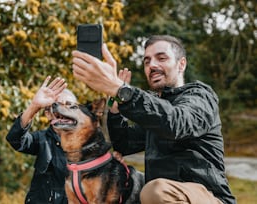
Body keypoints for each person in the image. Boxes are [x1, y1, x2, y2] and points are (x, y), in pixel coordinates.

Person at [72, 35, 236, 204]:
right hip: (162, 197)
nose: (152, 65)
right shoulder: (155, 112)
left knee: (154, 190)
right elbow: (124, 143)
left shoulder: (200, 96)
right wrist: (115, 108)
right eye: (147, 61)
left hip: (211, 198)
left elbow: (176, 123)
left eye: (161, 58)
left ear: (181, 64)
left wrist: (121, 90)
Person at [6, 76, 78, 204]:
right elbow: (15, 140)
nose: (63, 110)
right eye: (56, 105)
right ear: (48, 114)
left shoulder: (89, 144)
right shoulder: (42, 139)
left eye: (69, 105)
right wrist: (34, 106)